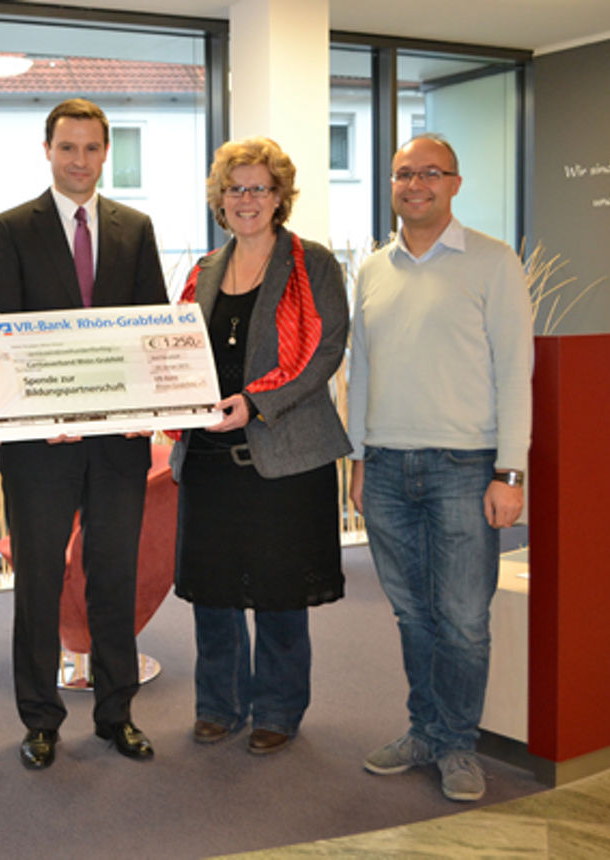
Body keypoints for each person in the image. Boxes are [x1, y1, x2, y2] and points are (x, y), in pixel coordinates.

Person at [0, 97, 168, 770]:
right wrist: (41, 417)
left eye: (91, 148)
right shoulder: (9, 229)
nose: (79, 160)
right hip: (41, 451)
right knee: (38, 581)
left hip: (117, 447)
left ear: (105, 153)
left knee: (113, 576)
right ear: (48, 150)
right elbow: (2, 341)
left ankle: (117, 714)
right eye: (68, 147)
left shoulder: (135, 228)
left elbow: (149, 331)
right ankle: (40, 721)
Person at [348, 134, 533, 802]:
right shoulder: (372, 270)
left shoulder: (493, 261)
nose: (415, 184)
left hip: (465, 466)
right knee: (412, 615)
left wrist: (510, 472)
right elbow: (362, 370)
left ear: (455, 183)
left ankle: (457, 743)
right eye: (403, 174)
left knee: (462, 618)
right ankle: (424, 729)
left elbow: (517, 371)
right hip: (389, 468)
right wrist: (360, 459)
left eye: (430, 173)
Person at [171, 137, 351, 756]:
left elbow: (325, 350)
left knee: (278, 589)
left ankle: (277, 707)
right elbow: (174, 353)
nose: (247, 199)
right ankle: (218, 704)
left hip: (285, 456)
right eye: (235, 188)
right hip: (208, 458)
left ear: (280, 197)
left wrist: (255, 403)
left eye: (259, 188)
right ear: (220, 199)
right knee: (214, 589)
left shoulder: (313, 263)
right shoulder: (202, 271)